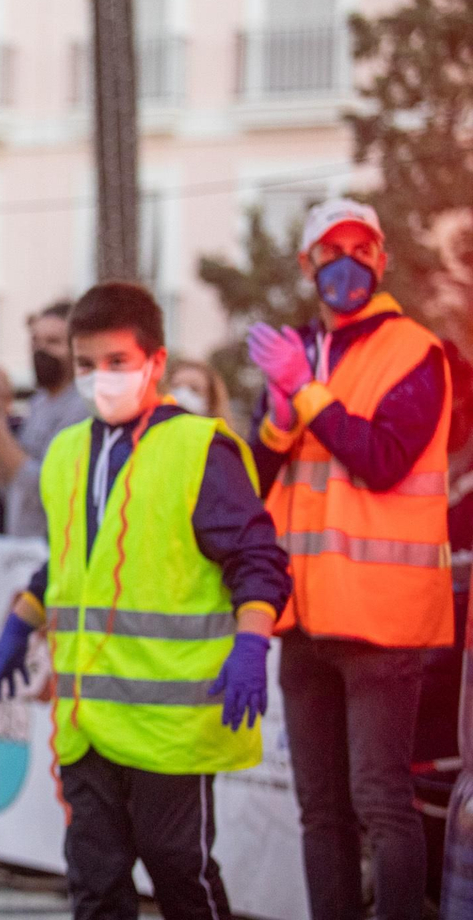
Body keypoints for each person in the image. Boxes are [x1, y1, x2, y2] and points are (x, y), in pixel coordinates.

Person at [0, 282, 291, 920]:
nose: (101, 378)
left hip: (169, 720)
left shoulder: (199, 448)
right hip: (88, 719)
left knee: (179, 871)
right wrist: (20, 622)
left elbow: (257, 558)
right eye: (86, 364)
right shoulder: (66, 451)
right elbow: (71, 565)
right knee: (94, 881)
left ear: (155, 360)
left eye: (117, 362)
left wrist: (252, 641)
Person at [247, 198, 453, 920]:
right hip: (303, 620)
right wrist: (275, 420)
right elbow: (255, 481)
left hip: (382, 625)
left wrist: (305, 392)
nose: (346, 264)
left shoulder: (416, 353)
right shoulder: (299, 351)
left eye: (360, 248)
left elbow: (384, 460)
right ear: (307, 266)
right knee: (321, 810)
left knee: (382, 804)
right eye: (330, 252)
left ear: (383, 260)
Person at [0, 301, 88, 540]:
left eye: (53, 342)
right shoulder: (38, 403)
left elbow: (43, 487)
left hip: (53, 546)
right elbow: (7, 486)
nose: (41, 350)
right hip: (20, 542)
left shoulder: (81, 408)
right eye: (35, 341)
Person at [165, 358, 233, 423]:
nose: (183, 394)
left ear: (212, 400)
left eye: (195, 389)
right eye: (175, 386)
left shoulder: (217, 434)